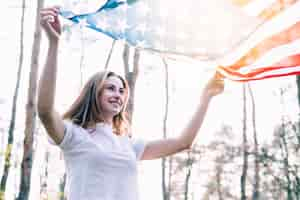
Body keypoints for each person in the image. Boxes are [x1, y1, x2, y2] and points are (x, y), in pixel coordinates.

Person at [38, 6, 225, 200]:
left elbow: (182, 143)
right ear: (94, 92)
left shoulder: (127, 145)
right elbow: (45, 111)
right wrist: (54, 44)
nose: (118, 95)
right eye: (110, 88)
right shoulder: (73, 135)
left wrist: (206, 98)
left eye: (121, 91)